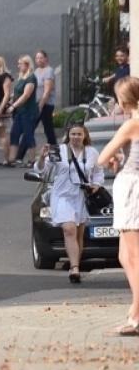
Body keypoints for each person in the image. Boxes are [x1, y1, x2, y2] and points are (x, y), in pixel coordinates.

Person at [95, 76, 139, 335]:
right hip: (132, 182)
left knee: (132, 256)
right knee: (125, 255)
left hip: (132, 187)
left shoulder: (131, 124)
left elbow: (102, 157)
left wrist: (115, 159)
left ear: (124, 99)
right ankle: (135, 309)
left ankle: (138, 315)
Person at [37, 121, 104, 285]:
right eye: (73, 134)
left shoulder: (92, 152)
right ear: (68, 136)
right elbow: (43, 171)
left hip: (81, 196)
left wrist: (96, 185)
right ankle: (74, 268)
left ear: (85, 136)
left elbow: (98, 171)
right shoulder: (58, 150)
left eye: (79, 134)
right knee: (69, 229)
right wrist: (41, 157)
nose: (76, 137)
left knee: (79, 233)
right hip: (62, 196)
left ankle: (76, 265)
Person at [2, 54, 39, 167]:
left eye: (20, 64)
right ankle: (12, 159)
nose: (18, 66)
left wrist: (13, 106)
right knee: (14, 133)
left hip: (28, 111)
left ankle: (32, 160)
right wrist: (10, 100)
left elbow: (26, 95)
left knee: (28, 135)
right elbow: (17, 92)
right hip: (19, 112)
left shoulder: (31, 78)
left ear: (27, 65)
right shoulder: (21, 77)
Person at [34, 50, 59, 148]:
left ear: (46, 58)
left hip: (46, 105)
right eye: (37, 58)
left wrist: (40, 105)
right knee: (32, 128)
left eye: (41, 57)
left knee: (48, 129)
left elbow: (47, 91)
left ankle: (55, 153)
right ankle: (20, 154)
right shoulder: (36, 71)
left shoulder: (49, 71)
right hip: (36, 103)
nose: (39, 60)